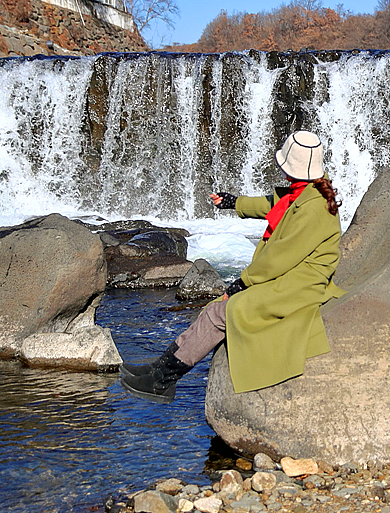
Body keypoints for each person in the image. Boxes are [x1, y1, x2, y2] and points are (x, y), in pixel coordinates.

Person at [119, 130, 344, 403]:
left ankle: (162, 379)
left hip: (298, 286)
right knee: (216, 309)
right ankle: (159, 370)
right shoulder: (306, 193)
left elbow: (279, 257)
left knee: (223, 311)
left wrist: (243, 281)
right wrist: (232, 202)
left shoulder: (312, 209)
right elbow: (272, 204)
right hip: (289, 278)